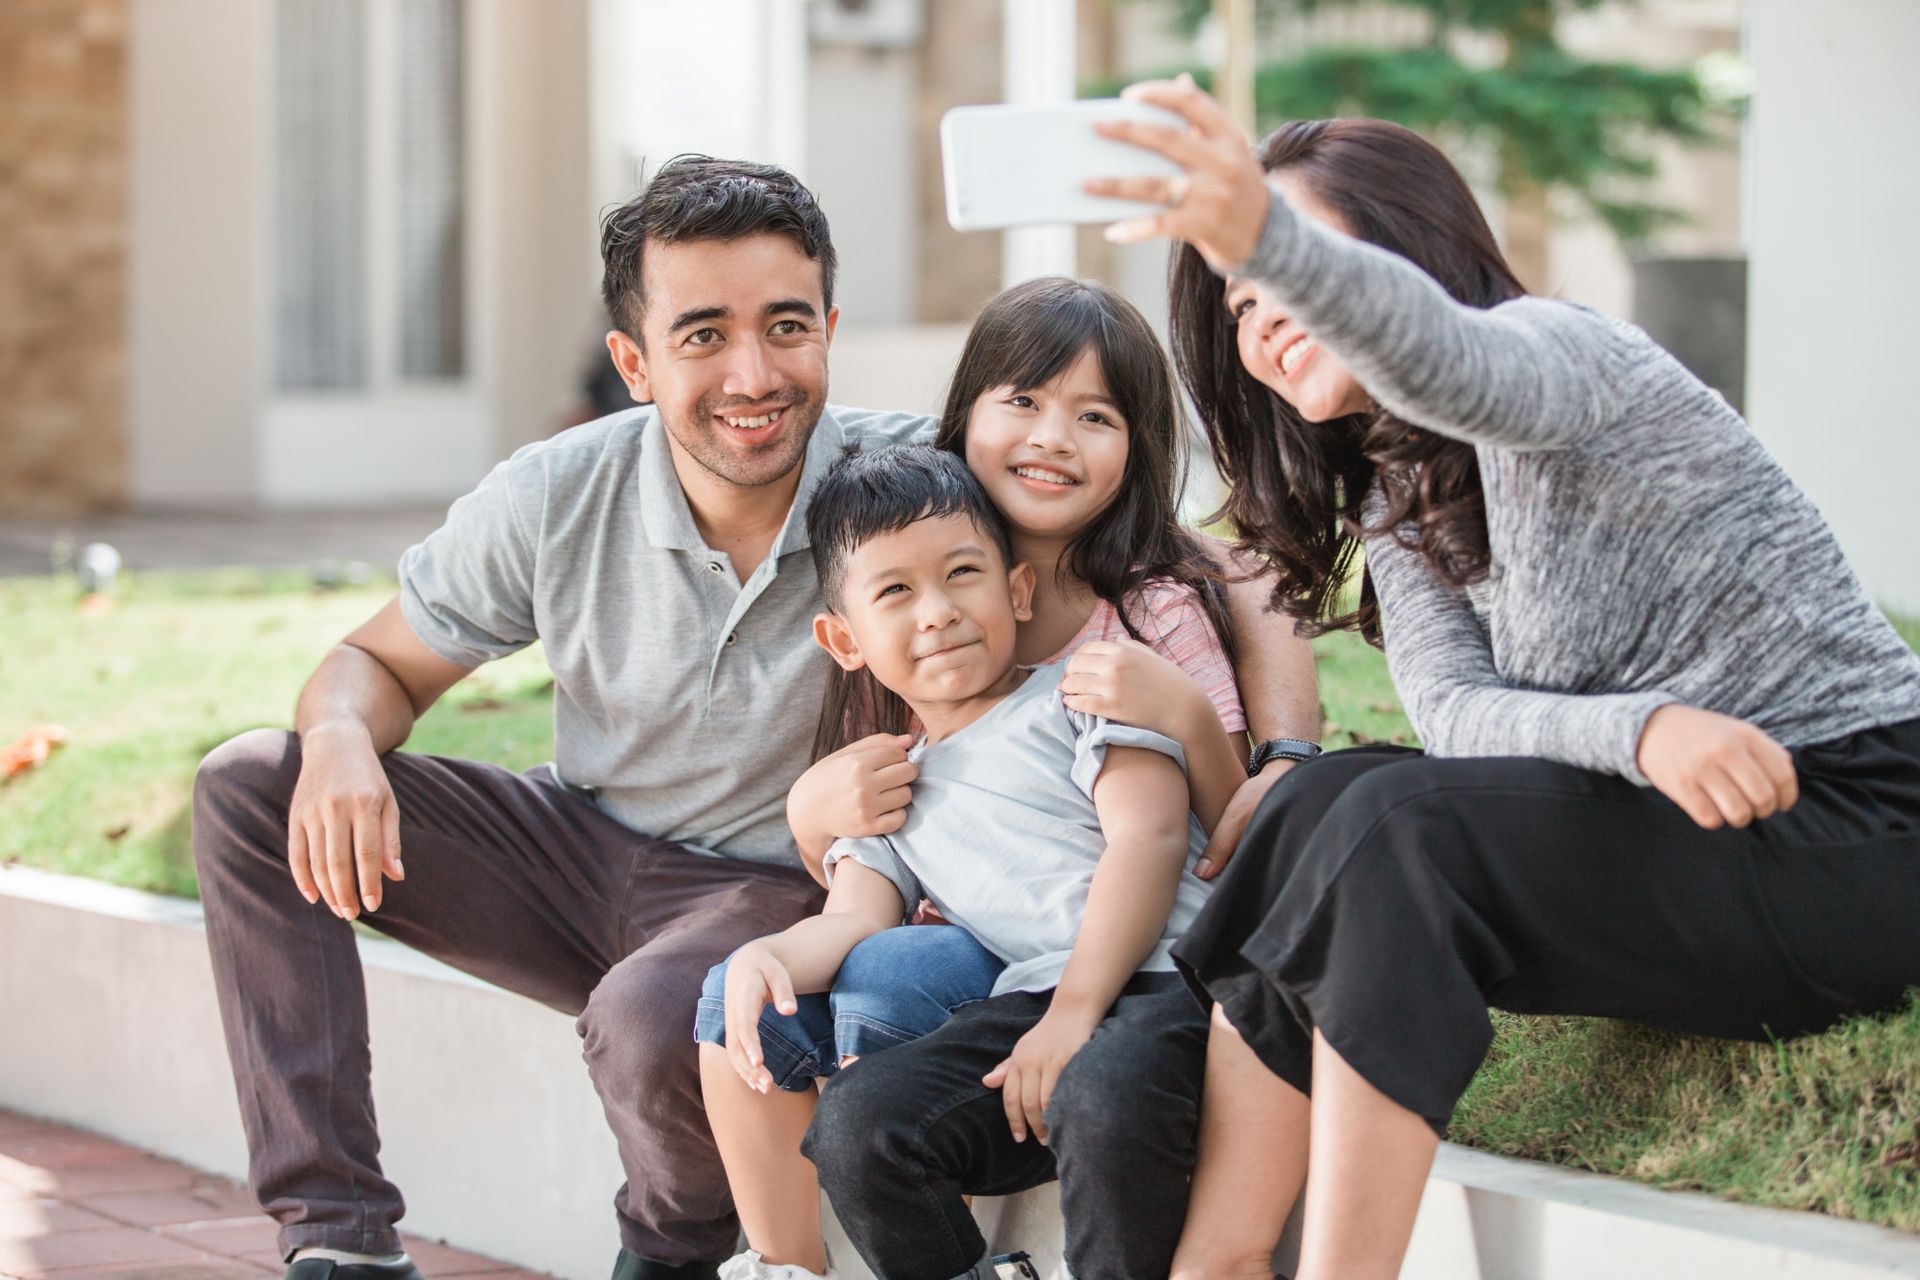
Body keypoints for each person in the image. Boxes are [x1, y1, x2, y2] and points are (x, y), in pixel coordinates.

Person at [191, 153, 1314, 1280]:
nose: (753, 372)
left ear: (830, 325)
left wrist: (1279, 756)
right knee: (252, 783)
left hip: (768, 880)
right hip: (574, 844)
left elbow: (1215, 566)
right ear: (632, 361)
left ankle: (673, 1243)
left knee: (658, 1011)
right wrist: (339, 734)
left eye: (786, 325)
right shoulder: (553, 494)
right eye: (702, 335)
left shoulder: (914, 479)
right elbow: (371, 662)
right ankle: (337, 1234)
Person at [1083, 78, 1920, 1280]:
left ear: (1408, 260)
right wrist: (1644, 731)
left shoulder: (1558, 358)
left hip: (1855, 822)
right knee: (1326, 799)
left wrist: (1259, 229)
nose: (1265, 308)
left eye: (1304, 265)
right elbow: (1455, 713)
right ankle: (1217, 1264)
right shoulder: (1395, 487)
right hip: (1688, 811)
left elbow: (1451, 356)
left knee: (1394, 831)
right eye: (1245, 292)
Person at [700, 444, 1224, 1280]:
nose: (936, 612)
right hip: (1037, 1012)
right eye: (896, 592)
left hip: (1171, 989)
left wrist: (1074, 1013)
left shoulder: (1080, 696)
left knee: (1099, 1096)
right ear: (844, 639)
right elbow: (852, 921)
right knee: (860, 1125)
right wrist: (765, 956)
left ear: (1017, 590)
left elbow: (1148, 839)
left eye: (962, 574)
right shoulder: (893, 790)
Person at [767, 274, 1258, 1090]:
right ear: (968, 415)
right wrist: (808, 817)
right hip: (958, 935)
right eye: (1023, 401)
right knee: (870, 976)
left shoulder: (1153, 614)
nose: (1055, 439)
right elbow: (882, 815)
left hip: (1134, 951)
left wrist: (1187, 717)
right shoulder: (903, 607)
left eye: (1096, 416)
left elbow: (1224, 838)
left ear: (1139, 447)